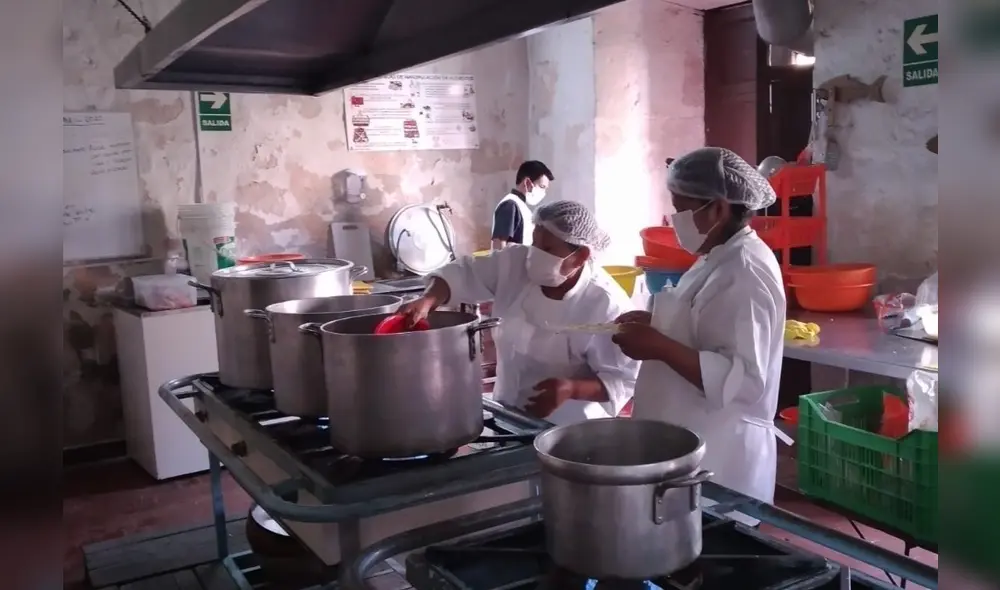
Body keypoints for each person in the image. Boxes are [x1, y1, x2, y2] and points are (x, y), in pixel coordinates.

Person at [610, 147, 791, 522]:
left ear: (719, 208)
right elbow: (701, 328)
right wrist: (655, 325)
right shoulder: (716, 257)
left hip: (723, 454)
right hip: (694, 439)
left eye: (682, 208)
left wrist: (659, 346)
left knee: (715, 547)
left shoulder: (746, 270)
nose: (673, 219)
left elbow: (746, 381)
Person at [400, 200, 638, 425]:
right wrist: (428, 299)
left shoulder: (604, 304)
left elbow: (623, 379)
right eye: (535, 242)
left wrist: (571, 389)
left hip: (570, 430)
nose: (535, 254)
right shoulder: (514, 263)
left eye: (547, 248)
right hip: (508, 414)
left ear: (580, 256)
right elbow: (464, 271)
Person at [491, 160, 553, 250]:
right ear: (527, 183)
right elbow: (499, 243)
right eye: (542, 187)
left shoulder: (521, 206)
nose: (544, 193)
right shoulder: (510, 205)